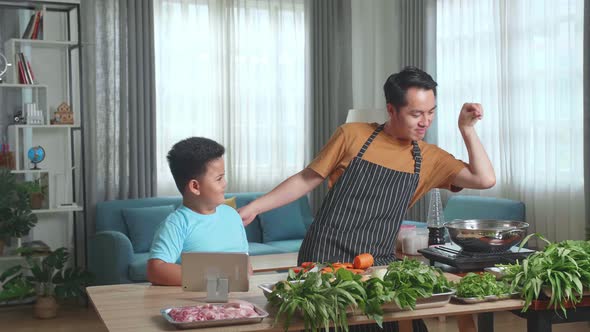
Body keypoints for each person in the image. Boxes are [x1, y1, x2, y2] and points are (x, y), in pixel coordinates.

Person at [239, 66, 495, 331]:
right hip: (324, 258)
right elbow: (307, 179)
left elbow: (484, 179)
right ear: (392, 109)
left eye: (431, 112)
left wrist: (466, 128)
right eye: (416, 113)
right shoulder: (352, 135)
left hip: (378, 263)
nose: (425, 122)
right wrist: (256, 207)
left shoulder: (429, 158)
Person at [147, 137, 249, 286]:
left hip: (236, 302)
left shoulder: (232, 215)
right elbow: (156, 269)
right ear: (195, 187)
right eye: (219, 178)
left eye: (224, 176)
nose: (225, 183)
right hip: (199, 305)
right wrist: (215, 277)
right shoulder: (176, 223)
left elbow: (245, 261)